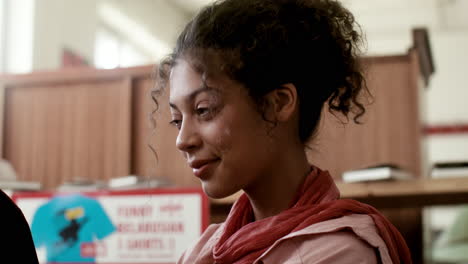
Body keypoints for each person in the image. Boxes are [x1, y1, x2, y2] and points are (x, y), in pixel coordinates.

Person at [155, 0, 412, 263]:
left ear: (278, 103)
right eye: (176, 119)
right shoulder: (206, 250)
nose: (182, 140)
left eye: (203, 109)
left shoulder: (341, 252)